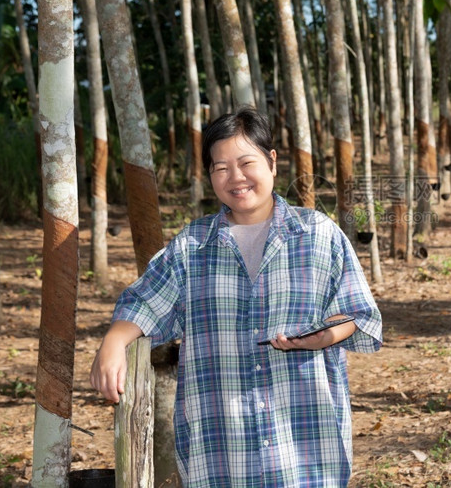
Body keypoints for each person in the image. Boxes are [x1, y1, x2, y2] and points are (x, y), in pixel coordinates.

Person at [90, 108, 383, 487]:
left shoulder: (319, 236)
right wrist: (113, 342)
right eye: (220, 167)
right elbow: (146, 302)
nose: (236, 177)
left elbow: (357, 314)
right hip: (221, 445)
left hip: (305, 442)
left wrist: (324, 337)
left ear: (272, 162)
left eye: (246, 162)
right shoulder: (192, 248)